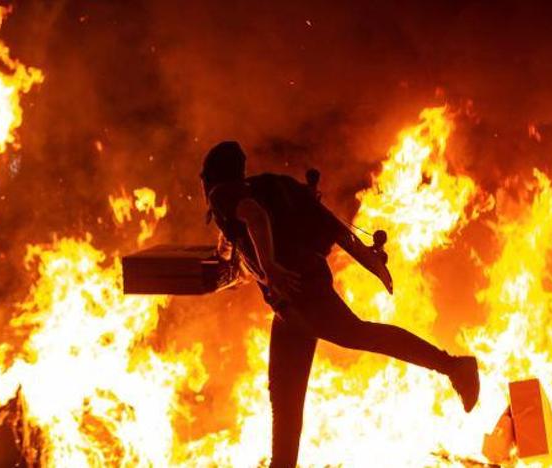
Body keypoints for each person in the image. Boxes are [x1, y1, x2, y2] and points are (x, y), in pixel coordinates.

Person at [201, 141, 480, 468]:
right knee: (285, 396)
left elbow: (255, 217)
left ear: (209, 177)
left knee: (358, 335)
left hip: (302, 297)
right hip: (292, 305)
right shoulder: (273, 187)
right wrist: (369, 261)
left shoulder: (223, 194)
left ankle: (453, 366)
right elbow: (333, 228)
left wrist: (271, 266)